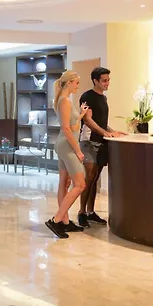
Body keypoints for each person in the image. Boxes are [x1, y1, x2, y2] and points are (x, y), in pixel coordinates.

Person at [78, 67, 124, 229]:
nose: (107, 83)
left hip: (101, 142)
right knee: (89, 177)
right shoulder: (87, 96)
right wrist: (105, 132)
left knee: (95, 178)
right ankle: (81, 212)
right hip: (88, 142)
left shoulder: (103, 98)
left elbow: (101, 122)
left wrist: (112, 131)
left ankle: (91, 212)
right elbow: (88, 120)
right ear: (95, 81)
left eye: (108, 80)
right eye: (104, 80)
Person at [45, 71, 89, 239]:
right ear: (69, 82)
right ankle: (56, 220)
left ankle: (64, 222)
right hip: (67, 146)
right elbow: (65, 128)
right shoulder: (64, 101)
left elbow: (72, 126)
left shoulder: (63, 100)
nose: (78, 86)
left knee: (65, 184)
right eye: (76, 83)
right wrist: (78, 150)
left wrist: (81, 114)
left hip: (64, 144)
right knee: (80, 184)